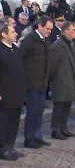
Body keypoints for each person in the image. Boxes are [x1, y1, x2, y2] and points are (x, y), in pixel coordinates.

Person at [49, 21, 75, 140]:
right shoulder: (57, 46)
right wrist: (54, 80)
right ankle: (56, 130)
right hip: (61, 81)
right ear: (66, 31)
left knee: (67, 106)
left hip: (71, 80)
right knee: (59, 107)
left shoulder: (71, 44)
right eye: (73, 30)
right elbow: (51, 66)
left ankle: (63, 128)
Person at [20, 16, 53, 149]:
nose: (50, 31)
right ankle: (29, 138)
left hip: (42, 81)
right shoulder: (29, 40)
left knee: (39, 111)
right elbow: (20, 59)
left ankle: (37, 135)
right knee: (32, 111)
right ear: (39, 26)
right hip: (31, 82)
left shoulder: (45, 40)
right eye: (47, 28)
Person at [0, 24, 25, 161]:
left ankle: (10, 146)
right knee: (3, 122)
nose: (16, 33)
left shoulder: (16, 49)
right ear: (3, 35)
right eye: (12, 31)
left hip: (17, 91)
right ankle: (3, 149)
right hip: (4, 93)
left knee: (14, 122)